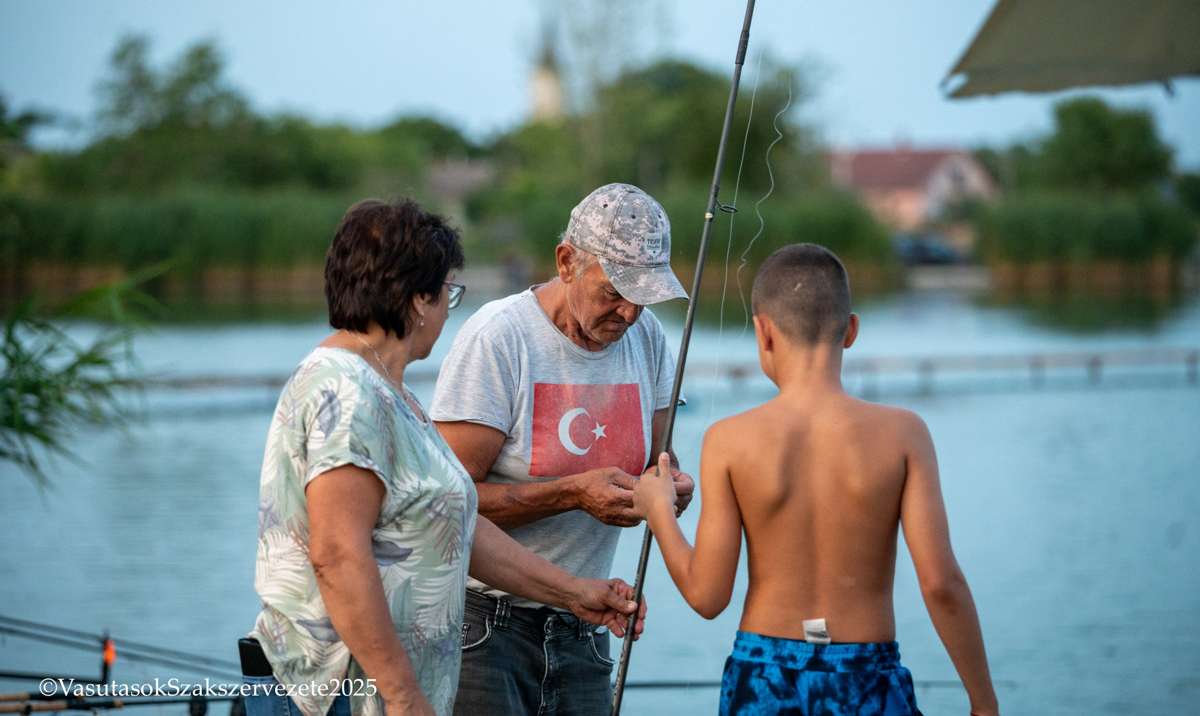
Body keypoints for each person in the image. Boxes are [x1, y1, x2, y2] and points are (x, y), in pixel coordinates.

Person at [241, 198, 645, 716]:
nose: (448, 310)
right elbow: (338, 556)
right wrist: (403, 696)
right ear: (418, 299)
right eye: (447, 292)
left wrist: (574, 593)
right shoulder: (344, 391)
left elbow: (459, 529)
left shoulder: (392, 394)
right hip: (341, 693)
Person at [632, 243, 1000, 716]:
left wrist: (659, 511)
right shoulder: (904, 434)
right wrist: (984, 704)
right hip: (867, 675)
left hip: (763, 675)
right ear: (851, 331)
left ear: (763, 332)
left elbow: (707, 597)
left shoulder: (728, 440)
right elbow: (942, 585)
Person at [429, 183, 696, 715]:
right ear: (567, 262)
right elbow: (442, 508)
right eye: (613, 292)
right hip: (482, 628)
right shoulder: (499, 338)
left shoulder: (647, 339)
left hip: (587, 626)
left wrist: (668, 488)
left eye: (643, 297)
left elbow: (659, 461)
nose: (628, 313)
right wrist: (572, 494)